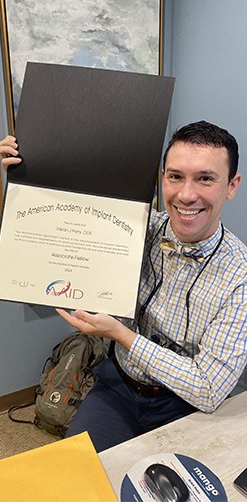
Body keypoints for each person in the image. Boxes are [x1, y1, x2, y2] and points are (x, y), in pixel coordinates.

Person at [1, 121, 247, 453]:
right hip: (117, 387)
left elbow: (208, 387)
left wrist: (121, 334)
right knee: (80, 480)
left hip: (187, 407)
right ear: (163, 179)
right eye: (175, 176)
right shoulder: (139, 229)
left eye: (205, 178)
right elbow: (68, 214)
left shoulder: (240, 276)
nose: (187, 194)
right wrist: (25, 178)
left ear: (231, 186)